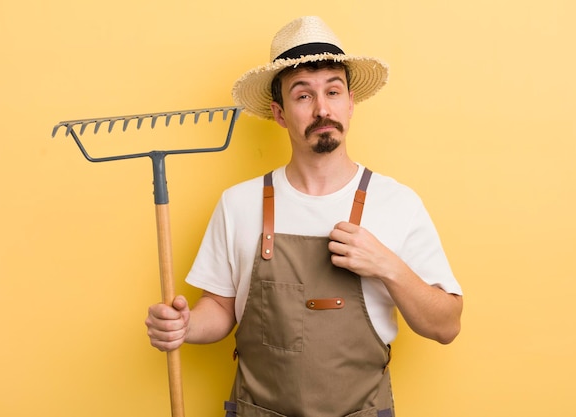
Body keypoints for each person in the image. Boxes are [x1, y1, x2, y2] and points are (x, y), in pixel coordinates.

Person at [145, 16, 463, 417]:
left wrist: (388, 267)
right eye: (303, 96)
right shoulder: (238, 203)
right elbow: (222, 309)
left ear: (350, 103)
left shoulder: (397, 202)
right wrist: (185, 326)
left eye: (333, 91)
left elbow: (446, 326)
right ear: (279, 113)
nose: (322, 109)